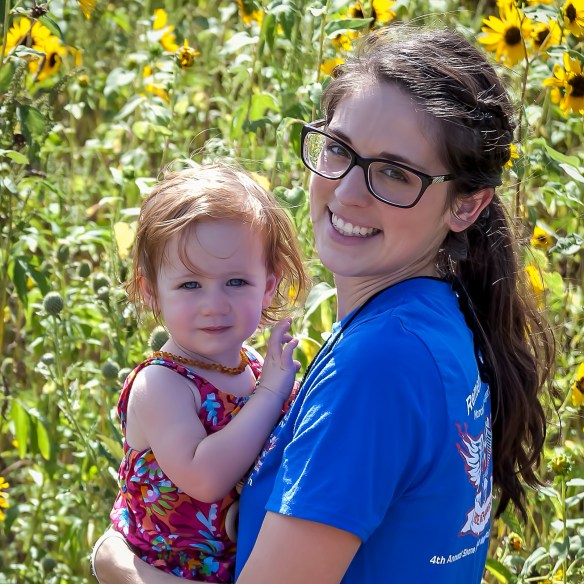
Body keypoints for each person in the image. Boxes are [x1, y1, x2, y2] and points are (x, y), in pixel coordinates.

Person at [92, 24, 555, 584]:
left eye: (394, 172)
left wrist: (119, 567)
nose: (347, 192)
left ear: (466, 205)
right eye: (338, 150)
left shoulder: (380, 364)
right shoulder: (427, 319)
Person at [97, 163, 307, 582]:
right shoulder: (160, 385)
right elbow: (205, 478)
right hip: (166, 572)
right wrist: (269, 395)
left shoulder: (255, 368)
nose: (214, 304)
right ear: (151, 290)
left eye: (236, 282)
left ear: (269, 284)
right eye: (191, 285)